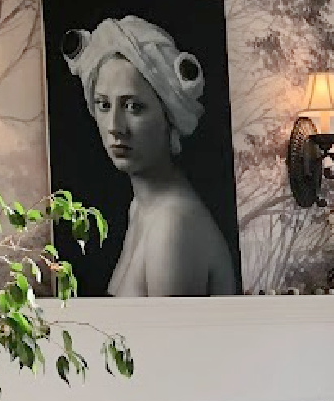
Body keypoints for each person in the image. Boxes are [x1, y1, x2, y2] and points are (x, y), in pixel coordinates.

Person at [63, 15, 238, 296]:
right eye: (104, 105)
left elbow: (171, 340)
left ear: (169, 116)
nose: (115, 127)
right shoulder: (142, 207)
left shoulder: (173, 224)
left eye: (133, 107)